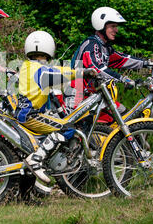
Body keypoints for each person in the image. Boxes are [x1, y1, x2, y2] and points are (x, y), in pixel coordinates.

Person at [16, 31, 96, 183]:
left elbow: (55, 73)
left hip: (24, 112)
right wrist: (82, 73)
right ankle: (36, 159)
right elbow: (60, 73)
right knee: (66, 128)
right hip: (31, 115)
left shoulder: (27, 66)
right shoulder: (41, 69)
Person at [67, 6, 153, 112]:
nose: (116, 30)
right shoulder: (91, 45)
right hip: (77, 95)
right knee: (81, 128)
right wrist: (123, 79)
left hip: (93, 95)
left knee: (124, 115)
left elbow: (121, 59)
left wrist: (146, 63)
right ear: (101, 26)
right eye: (112, 26)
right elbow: (97, 68)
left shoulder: (104, 47)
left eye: (116, 26)